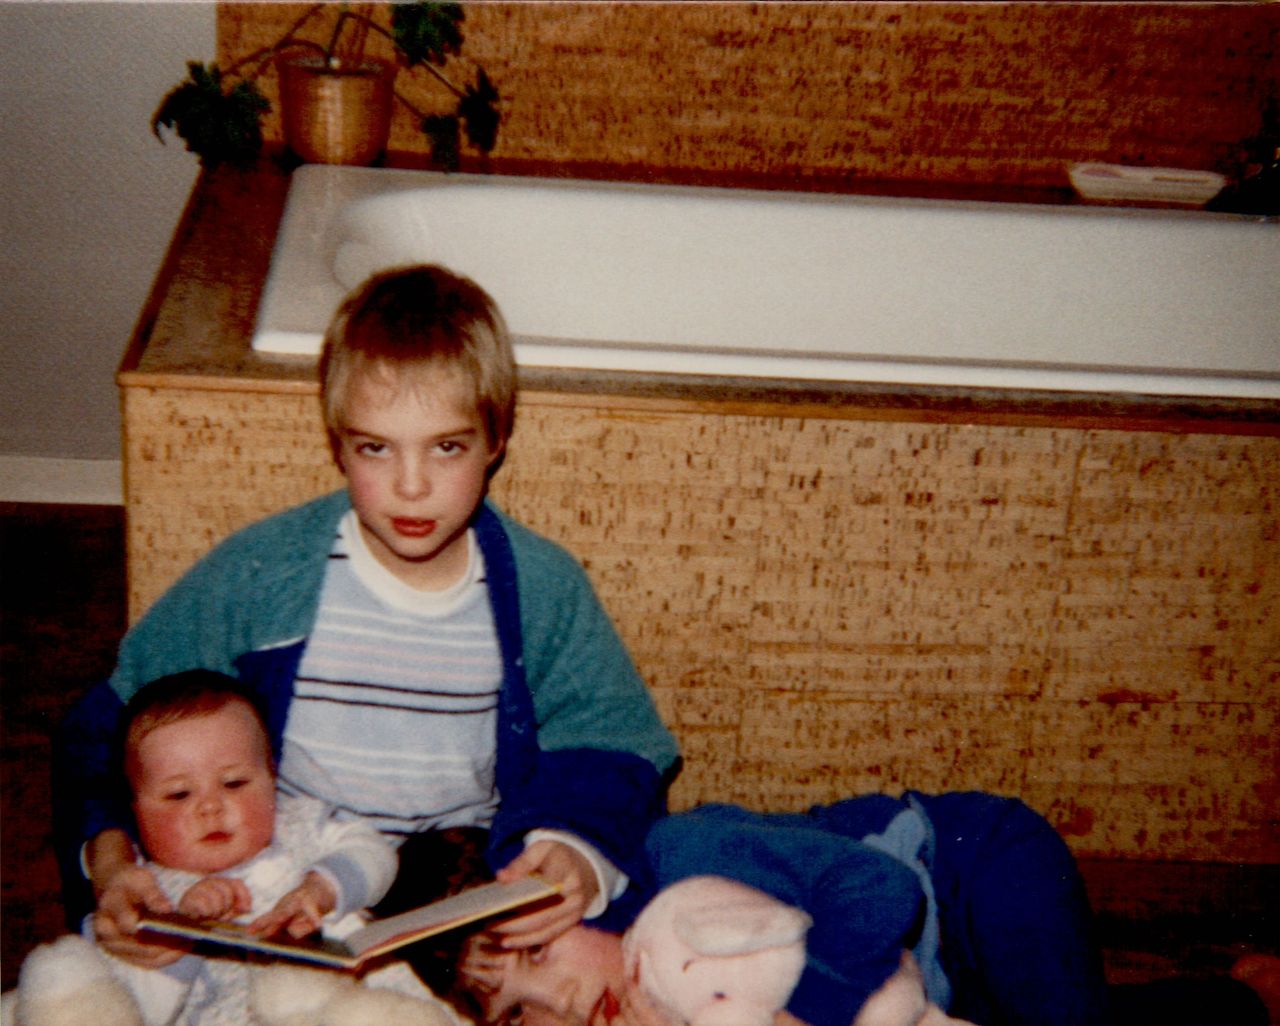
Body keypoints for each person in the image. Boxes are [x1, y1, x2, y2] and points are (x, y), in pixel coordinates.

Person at [53, 264, 680, 975]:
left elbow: (612, 741)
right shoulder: (263, 572)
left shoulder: (541, 587)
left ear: (496, 438)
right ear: (337, 444)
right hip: (281, 885)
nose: (411, 486)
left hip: (460, 889)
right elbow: (110, 724)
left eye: (447, 447)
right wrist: (111, 863)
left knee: (622, 964)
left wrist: (571, 850)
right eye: (375, 448)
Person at [452, 792, 1277, 1026]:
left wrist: (804, 1008)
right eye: (517, 1022)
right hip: (934, 995)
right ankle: (1241, 996)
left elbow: (887, 898)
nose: (555, 1007)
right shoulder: (651, 1006)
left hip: (970, 872)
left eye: (536, 956)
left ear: (573, 897)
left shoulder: (687, 861)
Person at [27, 670, 437, 1026]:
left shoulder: (300, 828)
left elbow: (374, 851)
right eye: (179, 794)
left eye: (235, 783)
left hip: (353, 1003)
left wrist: (324, 887)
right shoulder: (144, 894)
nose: (210, 806)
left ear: (271, 777)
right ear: (135, 811)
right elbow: (141, 1012)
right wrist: (183, 935)